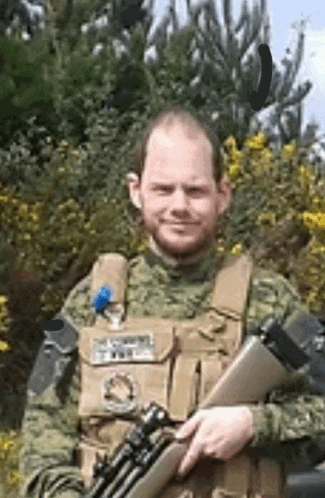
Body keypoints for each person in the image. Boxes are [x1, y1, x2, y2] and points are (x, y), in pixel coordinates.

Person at [19, 107, 325, 498]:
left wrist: (254, 424)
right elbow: (41, 433)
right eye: (163, 189)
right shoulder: (89, 300)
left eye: (195, 190)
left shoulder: (271, 299)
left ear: (223, 194)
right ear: (135, 190)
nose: (179, 206)